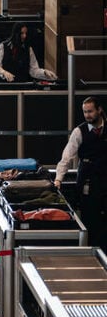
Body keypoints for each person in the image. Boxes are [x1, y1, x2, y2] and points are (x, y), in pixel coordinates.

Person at [56, 97, 107, 251]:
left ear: (99, 110)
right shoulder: (79, 131)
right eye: (85, 112)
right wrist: (58, 179)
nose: (87, 115)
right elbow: (66, 157)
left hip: (105, 178)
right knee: (89, 218)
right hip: (88, 180)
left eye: (90, 111)